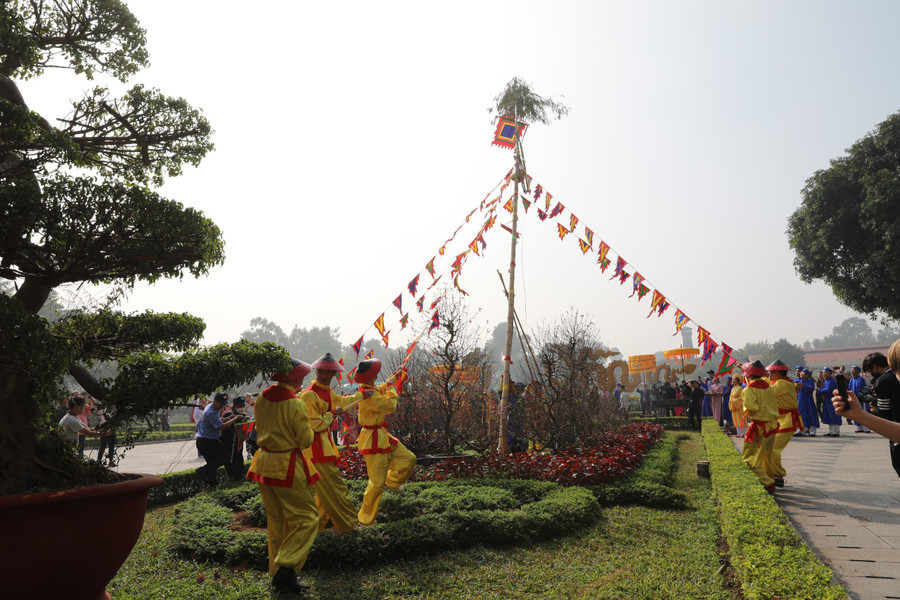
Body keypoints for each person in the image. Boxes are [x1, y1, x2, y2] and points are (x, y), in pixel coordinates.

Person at [246, 358, 320, 593]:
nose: (303, 379)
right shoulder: (296, 403)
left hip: (264, 463)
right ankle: (285, 569)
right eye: (301, 375)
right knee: (308, 519)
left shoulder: (263, 397)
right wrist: (312, 426)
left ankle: (277, 572)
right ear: (294, 377)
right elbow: (304, 439)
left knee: (277, 522)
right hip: (286, 464)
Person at [299, 352, 371, 532]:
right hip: (315, 450)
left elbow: (343, 402)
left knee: (324, 495)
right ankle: (350, 527)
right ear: (316, 371)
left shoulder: (327, 392)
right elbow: (313, 424)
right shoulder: (308, 396)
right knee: (337, 490)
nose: (325, 375)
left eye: (329, 372)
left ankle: (317, 530)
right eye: (322, 371)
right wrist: (333, 414)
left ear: (333, 374)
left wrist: (362, 395)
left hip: (324, 448)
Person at [353, 359, 417, 526]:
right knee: (375, 483)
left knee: (408, 459)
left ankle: (392, 482)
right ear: (372, 375)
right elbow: (390, 405)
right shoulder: (368, 394)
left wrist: (395, 376)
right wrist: (390, 387)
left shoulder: (371, 389)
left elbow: (381, 386)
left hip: (382, 435)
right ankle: (366, 520)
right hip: (372, 439)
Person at [740, 360, 779, 493]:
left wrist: (745, 407)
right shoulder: (768, 386)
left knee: (749, 457)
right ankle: (770, 480)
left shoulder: (748, 389)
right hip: (772, 425)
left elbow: (752, 407)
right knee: (765, 456)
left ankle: (767, 482)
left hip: (759, 426)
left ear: (749, 375)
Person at [862, 351, 900, 478]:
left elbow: (884, 414)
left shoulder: (883, 381)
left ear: (875, 367)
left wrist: (874, 410)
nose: (870, 374)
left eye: (869, 370)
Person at [195, 392, 244, 486]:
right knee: (225, 458)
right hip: (207, 441)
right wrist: (235, 418)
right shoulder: (210, 412)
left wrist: (229, 417)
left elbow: (218, 420)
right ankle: (203, 469)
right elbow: (221, 427)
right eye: (220, 404)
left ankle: (213, 485)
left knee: (212, 464)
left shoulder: (212, 408)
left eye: (224, 404)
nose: (222, 406)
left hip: (206, 440)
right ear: (215, 402)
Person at [768, 360, 802, 488]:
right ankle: (774, 474)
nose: (769, 374)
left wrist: (756, 377)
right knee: (771, 448)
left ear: (776, 372)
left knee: (773, 449)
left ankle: (778, 474)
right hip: (779, 420)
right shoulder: (779, 383)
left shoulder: (783, 384)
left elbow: (766, 391)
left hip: (787, 420)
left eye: (770, 372)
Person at [220, 395, 251, 480]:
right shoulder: (229, 414)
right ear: (234, 406)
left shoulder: (243, 414)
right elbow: (229, 426)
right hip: (228, 442)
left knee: (239, 458)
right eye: (240, 406)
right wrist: (241, 421)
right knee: (230, 459)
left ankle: (240, 476)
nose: (242, 408)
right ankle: (233, 476)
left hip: (238, 442)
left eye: (243, 406)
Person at [794, 369, 819, 436]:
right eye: (801, 373)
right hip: (800, 401)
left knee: (810, 414)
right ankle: (801, 430)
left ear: (807, 375)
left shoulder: (810, 382)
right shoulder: (796, 381)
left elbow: (811, 388)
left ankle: (812, 431)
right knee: (801, 415)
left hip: (808, 401)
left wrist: (803, 385)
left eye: (804, 373)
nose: (801, 374)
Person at [818, 368, 841, 436]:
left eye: (826, 372)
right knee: (829, 415)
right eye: (823, 372)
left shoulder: (832, 381)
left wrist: (819, 390)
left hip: (832, 400)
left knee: (834, 415)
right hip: (827, 400)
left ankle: (836, 431)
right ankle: (831, 431)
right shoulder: (826, 381)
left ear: (830, 373)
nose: (824, 374)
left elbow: (828, 390)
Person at [847, 365, 870, 433]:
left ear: (857, 371)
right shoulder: (851, 380)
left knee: (863, 413)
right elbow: (849, 389)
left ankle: (866, 428)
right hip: (854, 399)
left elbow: (862, 389)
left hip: (861, 399)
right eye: (851, 370)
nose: (852, 371)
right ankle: (859, 427)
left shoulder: (861, 379)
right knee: (856, 413)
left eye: (853, 370)